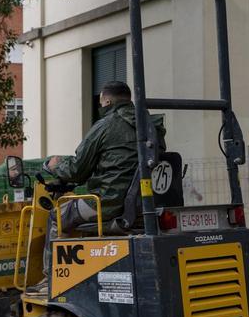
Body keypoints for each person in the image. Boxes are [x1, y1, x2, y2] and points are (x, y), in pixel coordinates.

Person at [37, 80, 160, 281]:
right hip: (142, 202)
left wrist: (54, 166)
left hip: (107, 203)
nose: (101, 106)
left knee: (57, 216)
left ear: (108, 101)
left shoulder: (105, 126)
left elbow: (77, 170)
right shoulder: (150, 125)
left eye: (101, 102)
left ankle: (52, 280)